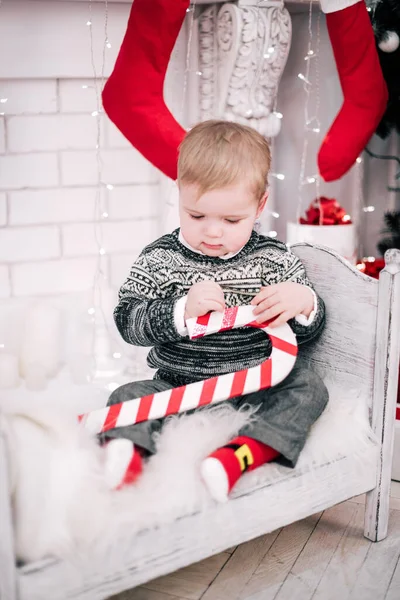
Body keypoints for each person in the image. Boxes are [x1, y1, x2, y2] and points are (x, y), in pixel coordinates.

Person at [100, 120, 329, 502]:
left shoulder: (272, 259)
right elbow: (128, 321)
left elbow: (307, 334)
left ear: (259, 206)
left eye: (231, 220)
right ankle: (126, 458)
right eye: (196, 215)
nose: (212, 232)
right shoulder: (161, 259)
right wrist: (179, 311)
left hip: (257, 381)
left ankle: (240, 456)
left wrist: (303, 303)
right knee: (127, 395)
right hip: (179, 382)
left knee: (309, 388)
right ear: (179, 195)